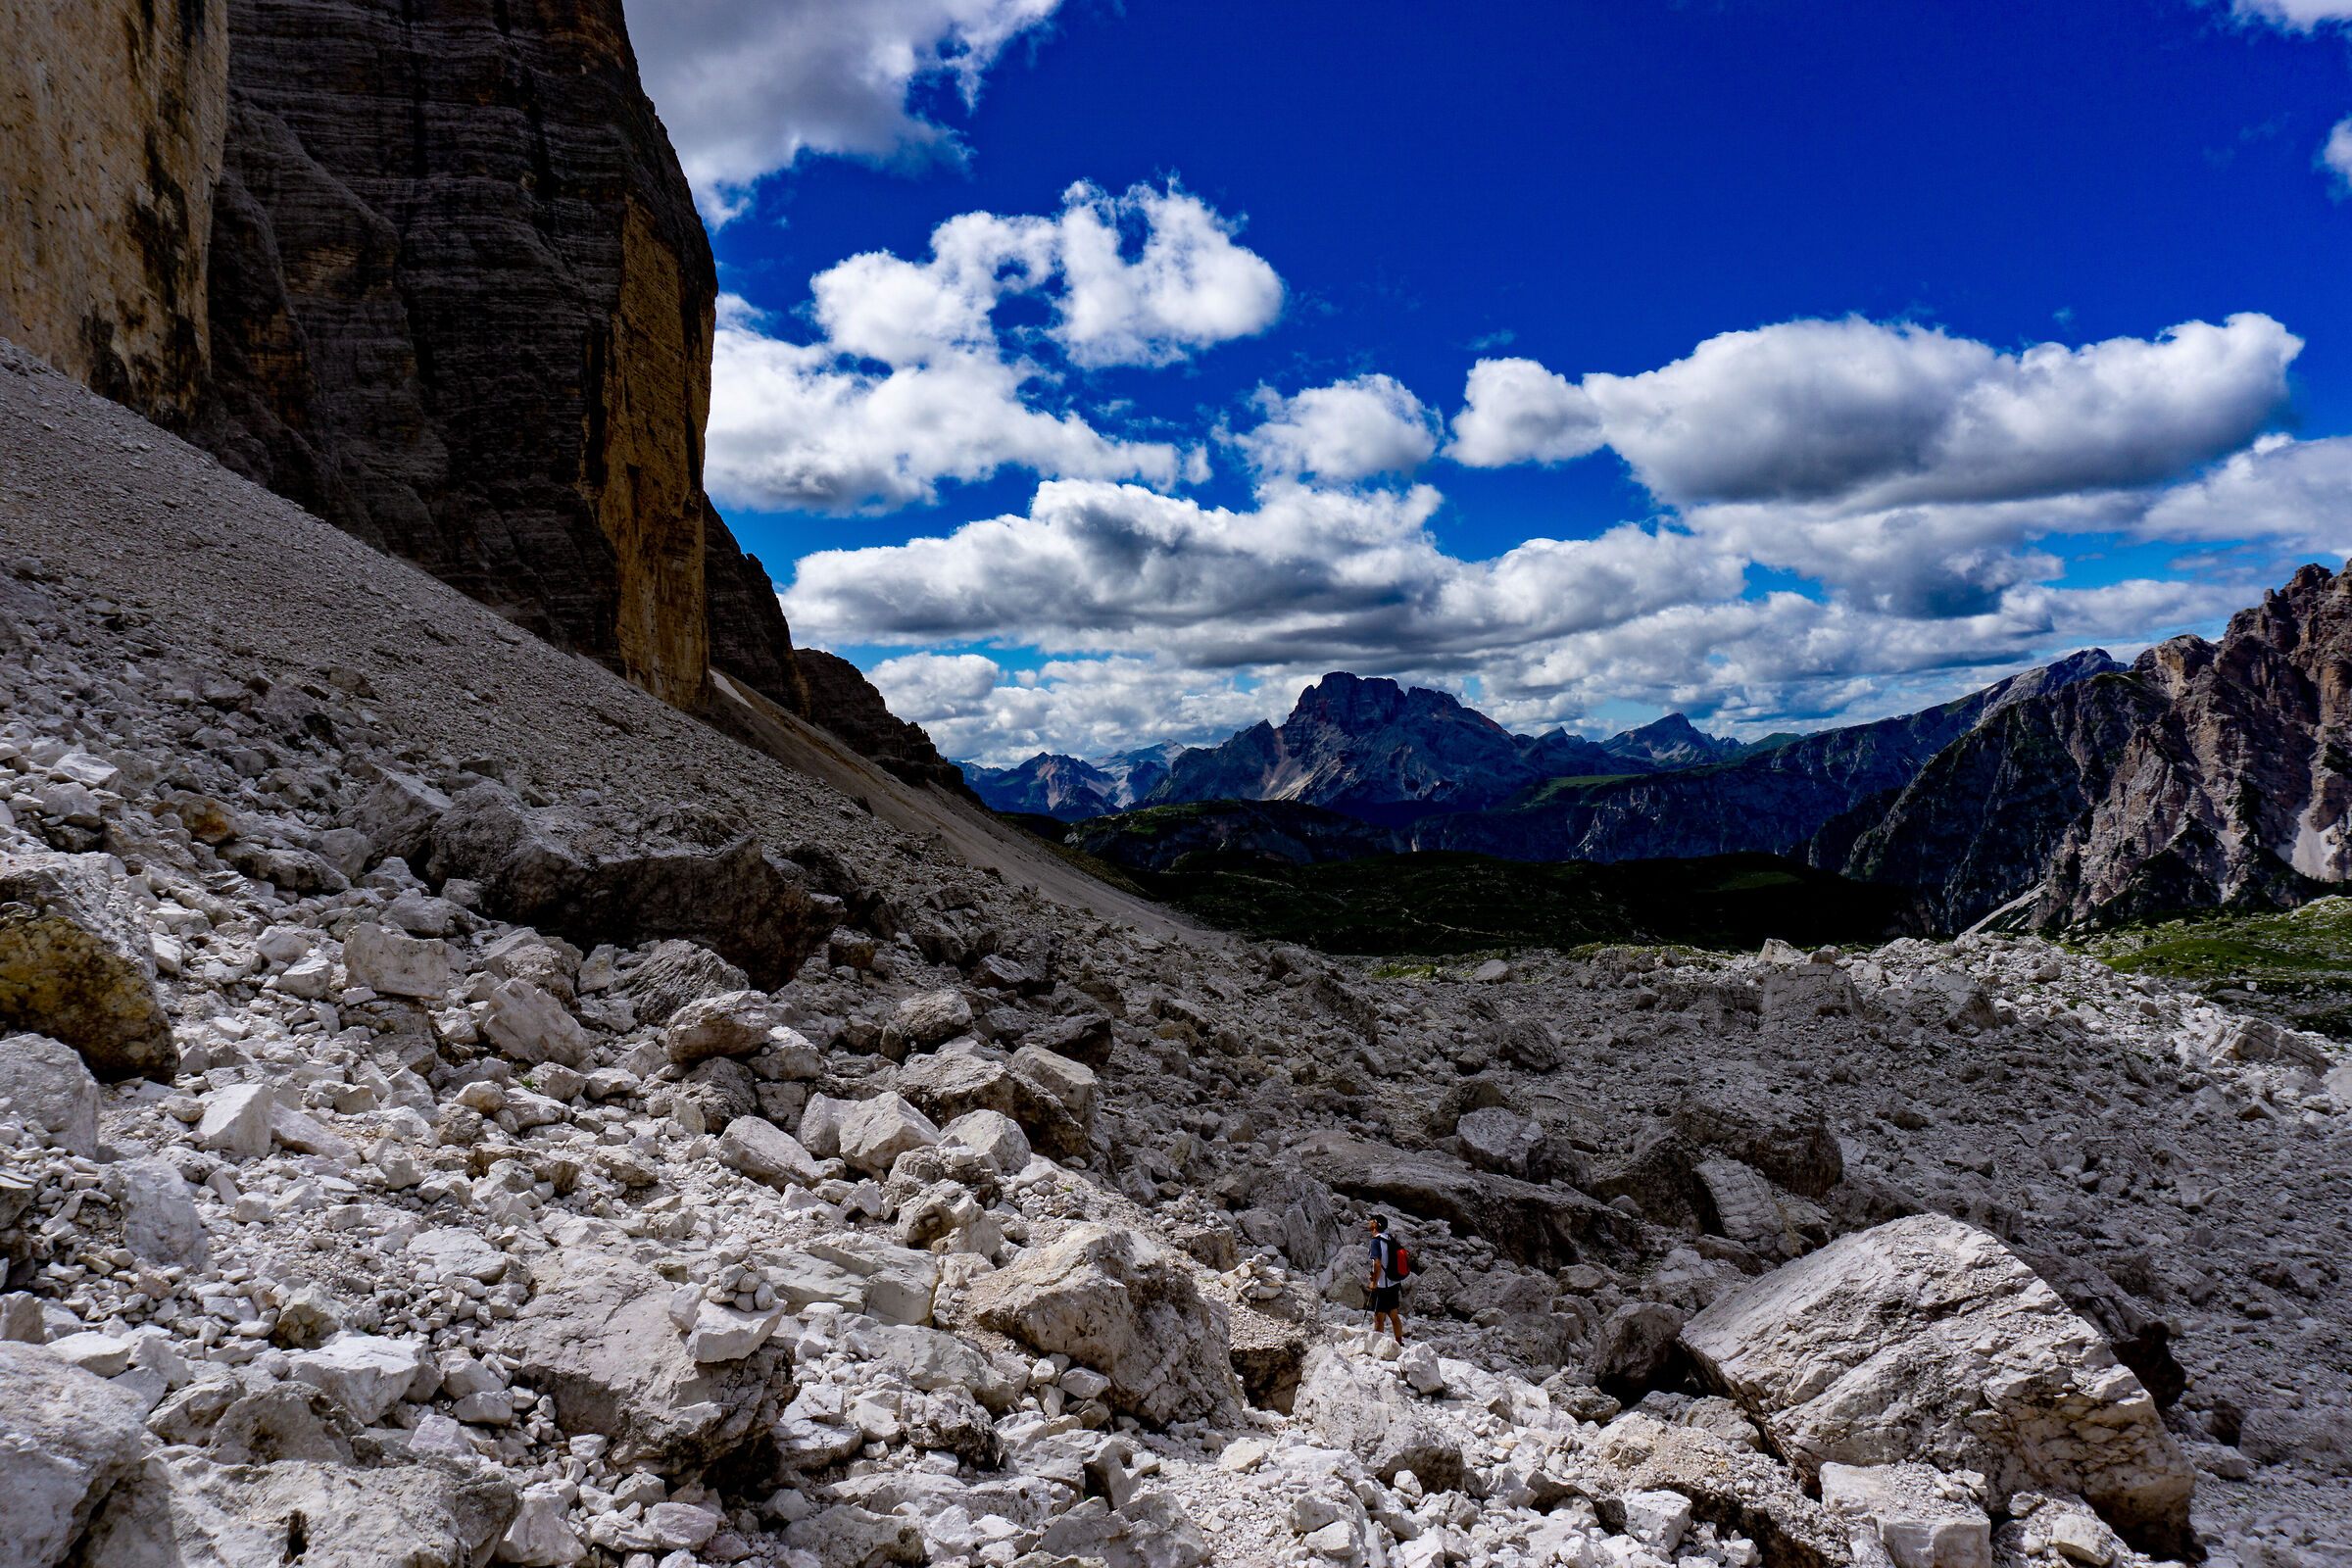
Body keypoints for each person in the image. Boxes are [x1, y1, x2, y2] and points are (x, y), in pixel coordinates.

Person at [1366, 1214, 1406, 1347]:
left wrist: (1374, 1282)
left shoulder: (1375, 1241)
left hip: (1382, 1286)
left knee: (1379, 1317)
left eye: (1372, 1220)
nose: (1369, 1221)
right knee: (1393, 1315)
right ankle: (1399, 1343)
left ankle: (1378, 1346)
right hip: (1394, 1283)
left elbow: (1377, 1263)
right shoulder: (1389, 1238)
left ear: (1376, 1224)